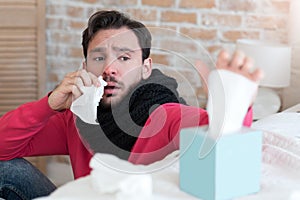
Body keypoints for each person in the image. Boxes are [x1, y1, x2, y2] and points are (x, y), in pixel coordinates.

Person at [0, 10, 263, 200]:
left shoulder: (163, 113)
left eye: (124, 57)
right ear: (84, 68)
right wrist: (49, 105)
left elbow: (214, 135)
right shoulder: (78, 115)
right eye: (98, 57)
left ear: (145, 68)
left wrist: (233, 108)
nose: (110, 69)